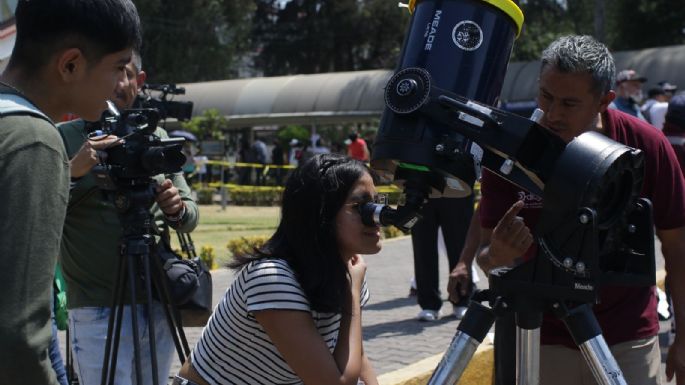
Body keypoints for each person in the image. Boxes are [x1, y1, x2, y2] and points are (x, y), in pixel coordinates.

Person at [476, 35, 685, 385]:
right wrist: (496, 255)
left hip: (625, 337)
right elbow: (488, 258)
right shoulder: (511, 151)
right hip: (537, 337)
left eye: (569, 104)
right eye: (546, 96)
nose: (552, 114)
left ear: (605, 101)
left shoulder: (646, 146)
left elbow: (678, 249)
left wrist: (683, 338)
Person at [0, 1, 141, 384]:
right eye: (117, 67)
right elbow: (18, 340)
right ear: (71, 65)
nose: (120, 85)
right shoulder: (34, 140)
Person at [175, 153, 381, 385]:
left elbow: (357, 358)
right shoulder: (272, 278)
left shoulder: (348, 270)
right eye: (361, 206)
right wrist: (351, 294)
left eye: (377, 201)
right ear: (320, 214)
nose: (376, 216)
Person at [58, 51, 199, 385]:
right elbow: (40, 207)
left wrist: (175, 207)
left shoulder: (157, 138)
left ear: (140, 80)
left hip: (154, 297)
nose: (118, 84)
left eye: (126, 73)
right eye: (111, 73)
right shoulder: (64, 138)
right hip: (96, 305)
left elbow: (190, 215)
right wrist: (73, 171)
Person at [411, 195, 474, 321]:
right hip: (421, 189)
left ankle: (462, 301)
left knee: (460, 246)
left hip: (457, 187)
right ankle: (429, 304)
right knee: (423, 248)